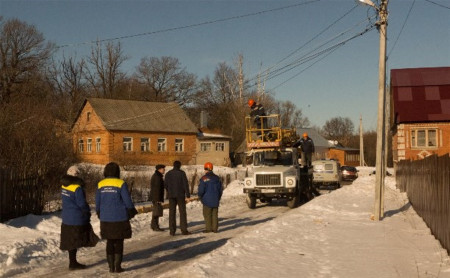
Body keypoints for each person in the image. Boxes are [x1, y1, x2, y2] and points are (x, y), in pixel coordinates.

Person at [96, 162, 138, 273]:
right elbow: (127, 201)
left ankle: (110, 267)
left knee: (109, 241)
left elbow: (97, 202)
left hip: (105, 217)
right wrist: (132, 211)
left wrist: (99, 212)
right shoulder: (121, 183)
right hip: (119, 217)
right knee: (119, 241)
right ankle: (117, 267)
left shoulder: (100, 184)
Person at [60, 165, 98, 270]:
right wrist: (87, 212)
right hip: (77, 218)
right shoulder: (77, 188)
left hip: (66, 217)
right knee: (77, 238)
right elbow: (82, 204)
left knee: (71, 241)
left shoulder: (64, 186)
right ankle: (73, 263)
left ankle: (72, 262)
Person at [164, 160, 191, 236]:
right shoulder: (182, 173)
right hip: (180, 195)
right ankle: (184, 230)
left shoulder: (168, 174)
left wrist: (169, 191)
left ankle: (172, 231)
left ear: (173, 165)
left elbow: (165, 184)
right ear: (179, 166)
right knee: (182, 212)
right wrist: (188, 195)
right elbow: (185, 184)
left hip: (171, 196)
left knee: (172, 213)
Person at [198, 162, 223, 233]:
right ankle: (215, 228)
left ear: (206, 169)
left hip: (206, 200)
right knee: (215, 214)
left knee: (207, 214)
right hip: (215, 199)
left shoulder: (204, 178)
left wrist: (200, 196)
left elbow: (201, 190)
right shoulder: (217, 178)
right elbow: (220, 190)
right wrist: (218, 197)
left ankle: (208, 228)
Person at [150, 164, 165, 231]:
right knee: (156, 212)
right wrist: (158, 199)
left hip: (156, 197)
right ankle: (155, 226)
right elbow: (157, 189)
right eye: (163, 169)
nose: (164, 170)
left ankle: (154, 225)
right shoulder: (157, 177)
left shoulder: (158, 176)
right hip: (156, 197)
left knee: (156, 212)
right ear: (159, 169)